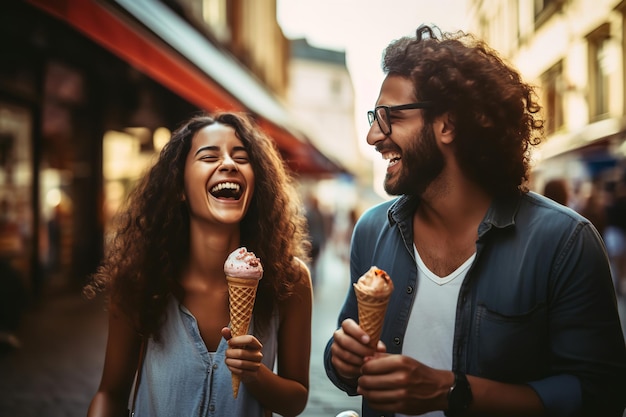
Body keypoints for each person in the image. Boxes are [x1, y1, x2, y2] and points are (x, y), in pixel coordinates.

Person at [324, 24, 626, 417]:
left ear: (448, 124)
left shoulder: (565, 242)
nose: (372, 136)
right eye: (373, 117)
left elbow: (601, 395)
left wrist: (452, 392)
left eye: (389, 116)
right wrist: (342, 359)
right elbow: (344, 354)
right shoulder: (372, 231)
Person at [85, 112, 313, 417]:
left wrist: (256, 374)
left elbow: (295, 400)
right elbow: (110, 395)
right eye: (209, 156)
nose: (229, 164)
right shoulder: (142, 277)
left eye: (241, 157)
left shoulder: (290, 280)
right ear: (179, 186)